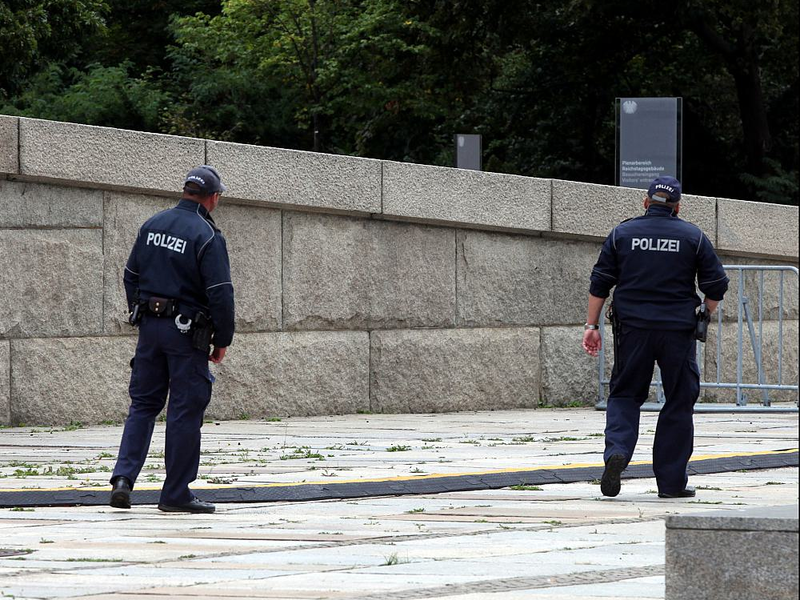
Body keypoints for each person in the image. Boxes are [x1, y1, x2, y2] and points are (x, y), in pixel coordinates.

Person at [582, 175, 728, 499]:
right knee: (679, 400)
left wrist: (592, 326)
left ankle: (617, 451)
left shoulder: (622, 234)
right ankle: (672, 483)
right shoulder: (693, 236)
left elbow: (600, 282)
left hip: (632, 330)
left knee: (624, 394)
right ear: (678, 207)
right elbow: (717, 285)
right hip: (677, 331)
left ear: (646, 202)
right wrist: (704, 313)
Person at [109, 165, 235, 514]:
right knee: (184, 410)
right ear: (213, 197)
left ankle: (123, 480)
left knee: (143, 405)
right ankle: (176, 494)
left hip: (150, 329)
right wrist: (222, 337)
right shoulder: (206, 234)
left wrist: (140, 311)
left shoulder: (152, 225)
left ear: (185, 191)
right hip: (186, 334)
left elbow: (130, 275)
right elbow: (220, 292)